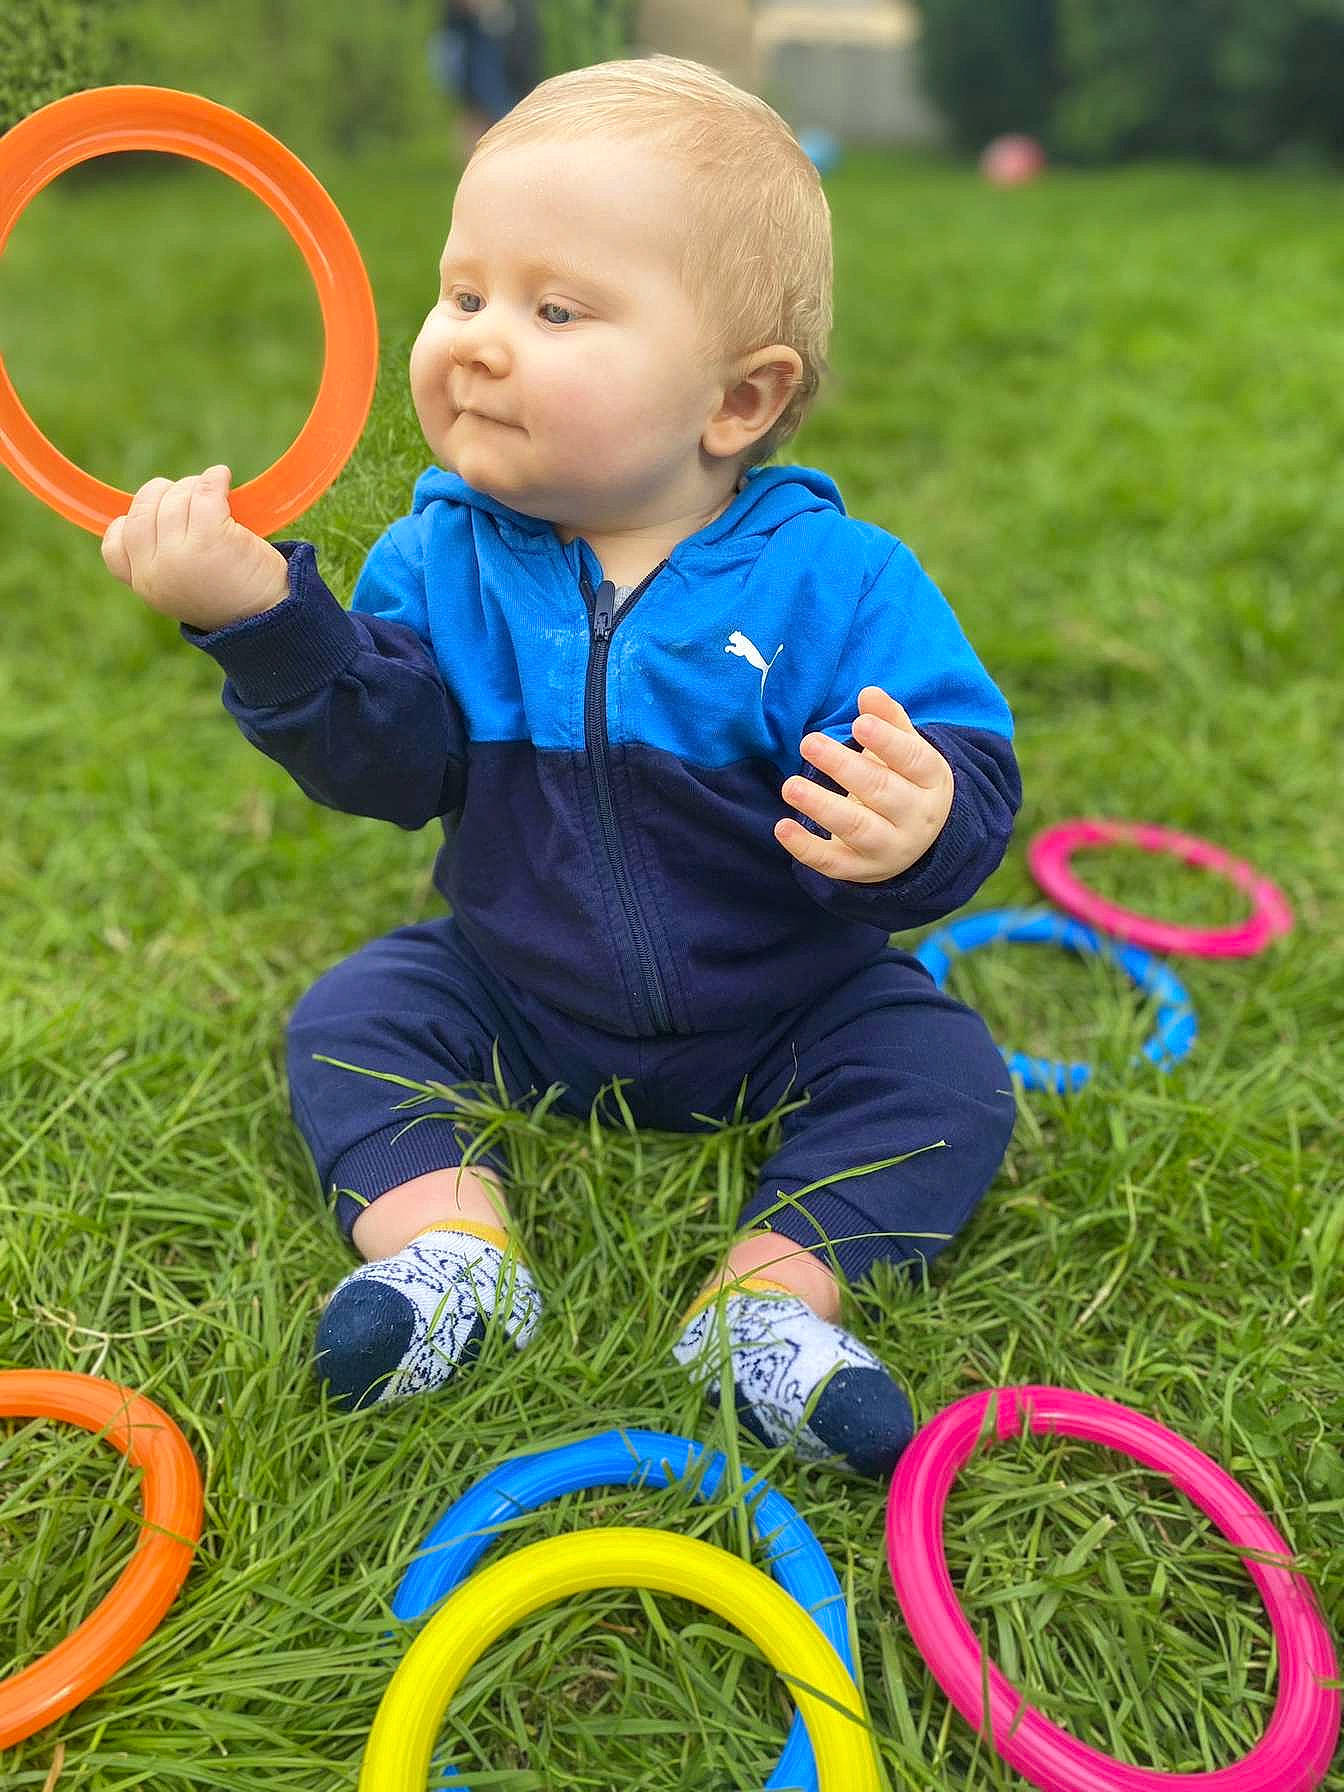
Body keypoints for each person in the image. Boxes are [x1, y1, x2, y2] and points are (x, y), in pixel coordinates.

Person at [99, 55, 1020, 1479]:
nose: (476, 340)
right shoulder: (436, 560)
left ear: (738, 398)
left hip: (790, 999)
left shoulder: (838, 584)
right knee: (357, 1013)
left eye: (555, 310)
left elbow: (965, 769)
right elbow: (386, 765)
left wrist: (928, 820)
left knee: (946, 1069)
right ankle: (450, 1259)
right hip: (518, 988)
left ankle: (774, 1303)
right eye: (463, 293)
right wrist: (264, 624)